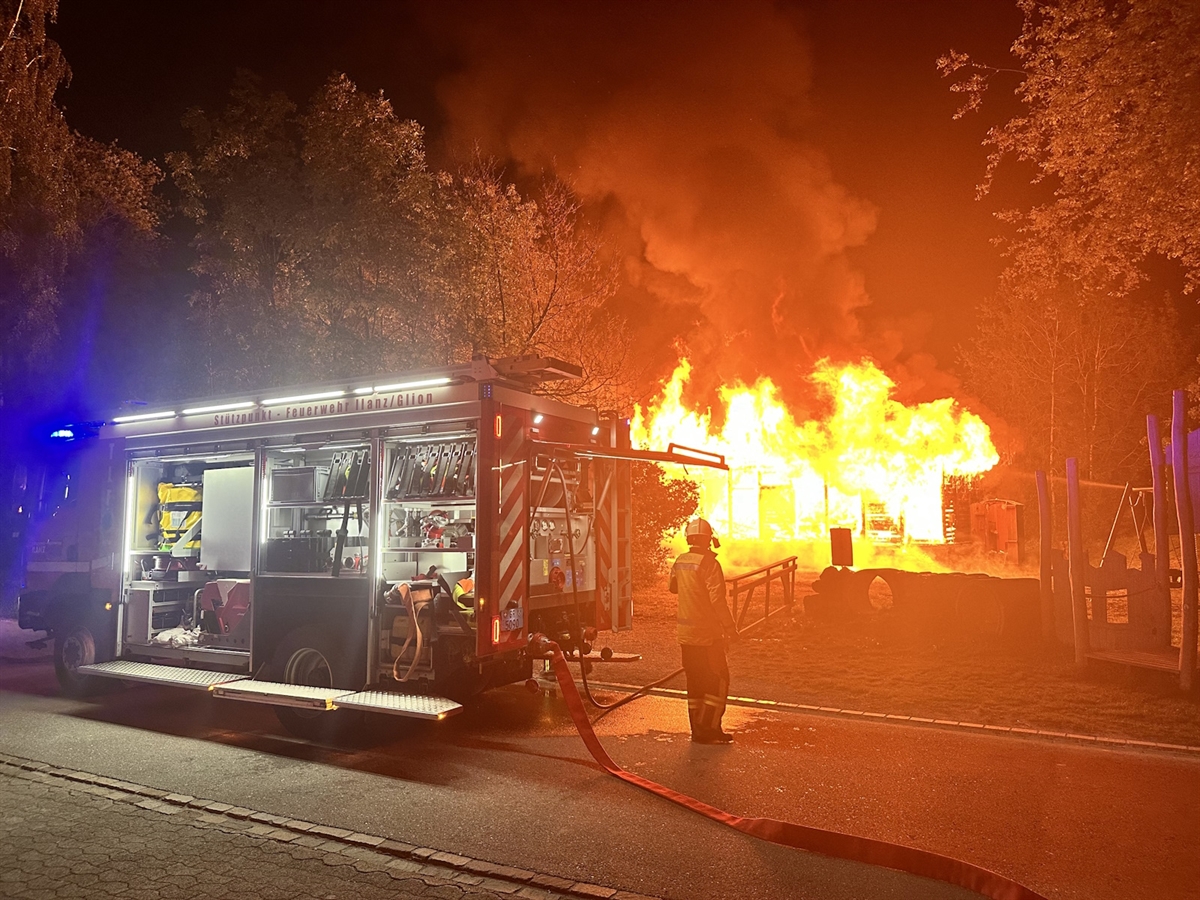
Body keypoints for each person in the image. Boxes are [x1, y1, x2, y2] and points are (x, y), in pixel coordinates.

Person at [669, 517, 738, 744]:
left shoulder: (680, 561)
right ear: (709, 539)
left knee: (695, 684)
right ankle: (710, 730)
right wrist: (730, 627)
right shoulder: (709, 563)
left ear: (688, 538)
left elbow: (673, 588)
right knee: (717, 682)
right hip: (708, 638)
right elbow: (718, 600)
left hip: (686, 638)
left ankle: (697, 731)